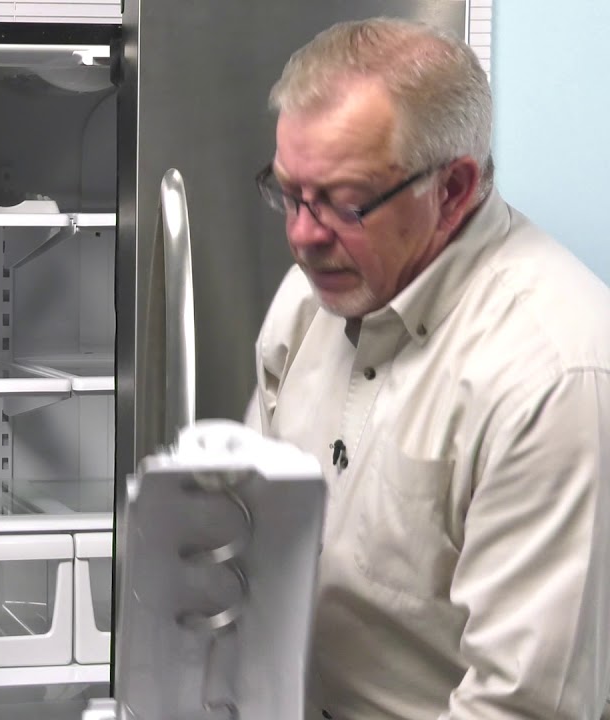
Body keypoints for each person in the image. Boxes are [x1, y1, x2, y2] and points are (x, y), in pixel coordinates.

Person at [246, 17, 610, 720]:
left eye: (346, 203)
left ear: (453, 189)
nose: (302, 237)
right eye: (289, 193)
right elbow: (253, 530)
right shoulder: (311, 298)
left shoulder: (553, 374)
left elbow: (522, 707)